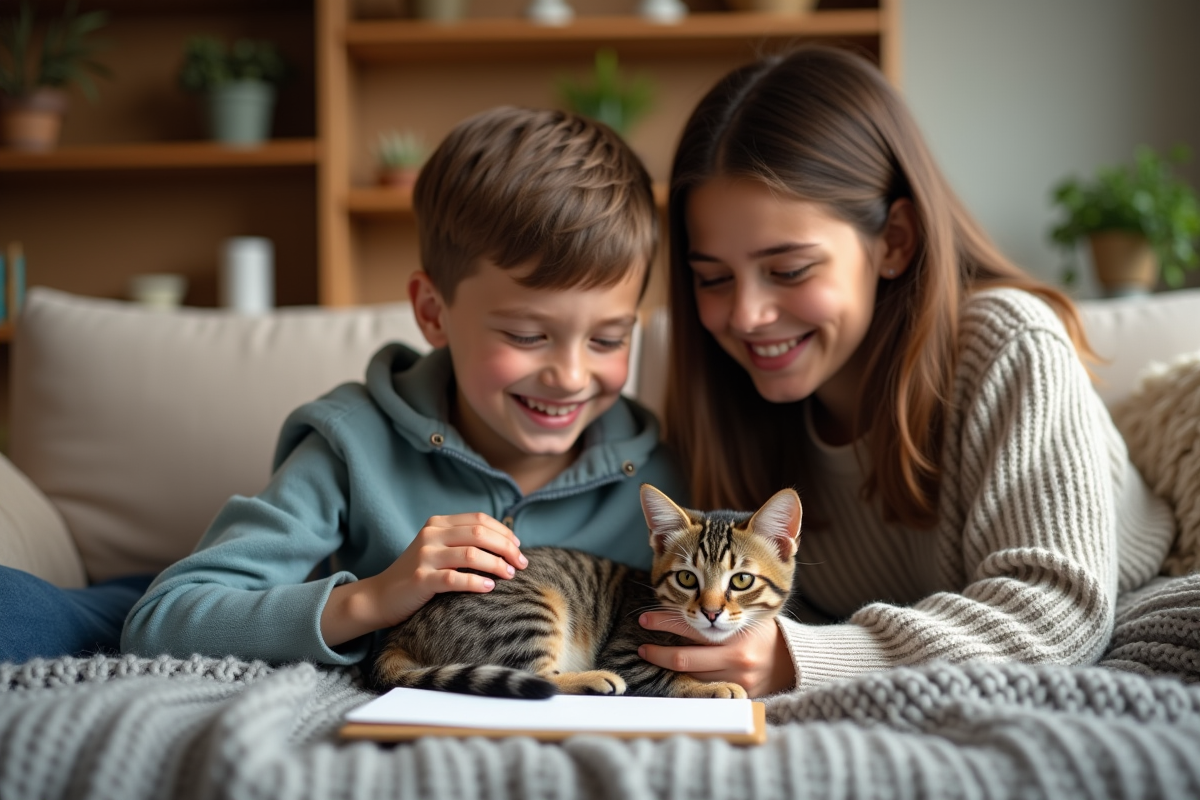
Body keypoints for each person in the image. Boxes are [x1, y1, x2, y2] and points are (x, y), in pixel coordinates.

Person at [634, 45, 1176, 697]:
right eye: (713, 277)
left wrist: (800, 658)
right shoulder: (731, 400)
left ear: (894, 241)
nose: (746, 315)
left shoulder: (1009, 343)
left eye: (789, 270)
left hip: (1139, 607)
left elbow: (1058, 612)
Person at [123, 106, 683, 664]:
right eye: (526, 335)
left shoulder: (664, 482)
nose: (571, 377)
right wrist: (373, 598)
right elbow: (163, 621)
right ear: (433, 312)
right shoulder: (352, 443)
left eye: (608, 340)